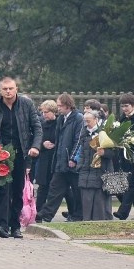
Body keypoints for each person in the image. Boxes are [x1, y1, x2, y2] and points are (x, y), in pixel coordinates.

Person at [0, 77, 42, 238]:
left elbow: (37, 127)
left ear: (16, 88)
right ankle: (2, 225)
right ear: (0, 90)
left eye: (11, 88)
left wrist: (35, 146)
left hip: (21, 153)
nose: (8, 91)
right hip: (0, 155)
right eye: (5, 89)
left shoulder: (26, 104)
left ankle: (15, 226)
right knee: (3, 190)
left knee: (17, 190)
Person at [38, 94, 83, 222]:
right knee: (55, 188)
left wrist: (74, 158)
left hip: (71, 161)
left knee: (76, 191)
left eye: (60, 106)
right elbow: (59, 140)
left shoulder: (78, 118)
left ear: (67, 105)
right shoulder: (61, 119)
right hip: (61, 161)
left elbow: (78, 140)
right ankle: (46, 213)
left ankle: (78, 215)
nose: (58, 109)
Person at [113, 94, 134, 220]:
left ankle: (123, 212)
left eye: (126, 106)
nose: (124, 109)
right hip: (126, 156)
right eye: (122, 106)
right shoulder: (122, 118)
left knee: (132, 184)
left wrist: (133, 140)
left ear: (133, 105)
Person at [75, 110, 114, 220]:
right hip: (85, 170)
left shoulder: (106, 132)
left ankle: (100, 221)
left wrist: (104, 153)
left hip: (101, 171)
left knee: (99, 201)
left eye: (88, 121)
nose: (86, 123)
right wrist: (80, 166)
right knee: (86, 199)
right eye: (85, 121)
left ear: (96, 120)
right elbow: (81, 151)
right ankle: (86, 220)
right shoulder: (84, 132)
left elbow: (114, 153)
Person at [33, 100, 58, 221]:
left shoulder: (59, 123)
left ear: (53, 111)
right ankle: (38, 214)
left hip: (54, 157)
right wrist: (43, 144)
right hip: (43, 158)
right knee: (42, 187)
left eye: (46, 112)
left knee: (55, 187)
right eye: (43, 112)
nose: (44, 115)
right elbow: (37, 138)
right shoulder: (41, 123)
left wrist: (54, 144)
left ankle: (73, 212)